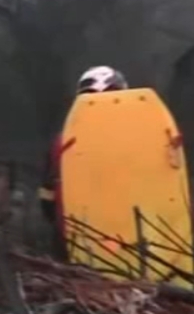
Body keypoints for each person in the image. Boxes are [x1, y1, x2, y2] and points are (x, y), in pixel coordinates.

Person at [38, 66, 128, 244]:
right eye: (94, 97)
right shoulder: (62, 143)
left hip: (129, 236)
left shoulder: (148, 134)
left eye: (110, 95)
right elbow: (47, 193)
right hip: (76, 239)